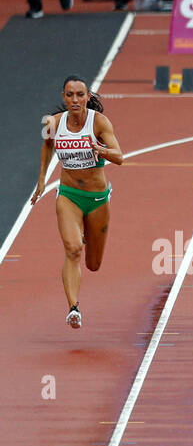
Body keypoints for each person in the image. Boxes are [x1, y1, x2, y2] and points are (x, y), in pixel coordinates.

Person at [31, 76, 124, 329]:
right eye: (70, 95)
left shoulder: (99, 122)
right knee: (73, 250)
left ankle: (88, 227)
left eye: (79, 95)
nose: (74, 100)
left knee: (93, 264)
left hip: (96, 198)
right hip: (69, 195)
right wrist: (41, 180)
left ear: (87, 97)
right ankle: (73, 308)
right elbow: (47, 146)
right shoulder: (53, 123)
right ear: (64, 97)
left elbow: (120, 157)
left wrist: (99, 148)